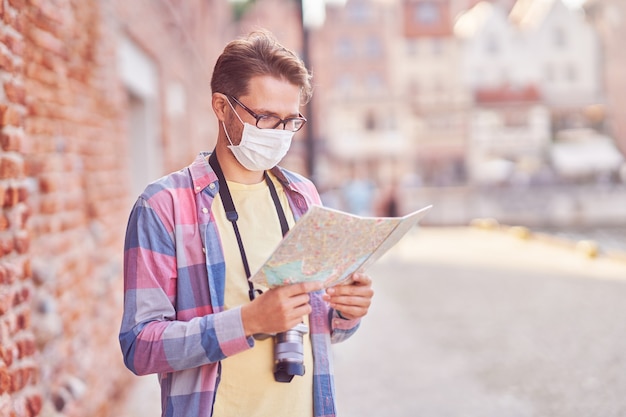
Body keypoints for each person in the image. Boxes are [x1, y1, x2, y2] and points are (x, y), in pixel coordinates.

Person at [119, 30, 374, 417]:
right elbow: (139, 347)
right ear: (222, 107)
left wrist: (346, 312)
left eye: (290, 121)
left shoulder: (303, 196)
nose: (279, 134)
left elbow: (322, 327)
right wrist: (248, 322)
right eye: (266, 117)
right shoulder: (162, 205)